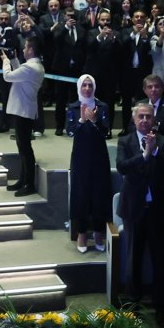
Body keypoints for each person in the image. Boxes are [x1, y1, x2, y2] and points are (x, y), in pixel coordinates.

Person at [115, 102, 164, 326]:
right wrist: (144, 155)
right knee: (133, 258)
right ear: (134, 120)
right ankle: (133, 306)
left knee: (159, 259)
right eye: (140, 116)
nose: (144, 120)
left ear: (154, 120)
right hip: (133, 209)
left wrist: (156, 152)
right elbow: (122, 166)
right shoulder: (125, 141)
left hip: (158, 210)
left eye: (148, 117)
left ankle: (161, 308)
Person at [66, 74, 112, 253]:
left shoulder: (102, 107)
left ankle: (99, 232)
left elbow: (106, 130)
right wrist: (81, 121)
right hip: (80, 157)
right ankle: (82, 233)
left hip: (99, 156)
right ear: (79, 87)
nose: (87, 88)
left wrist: (94, 121)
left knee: (100, 193)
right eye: (84, 85)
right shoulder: (73, 107)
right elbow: (69, 132)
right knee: (81, 193)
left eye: (90, 85)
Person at [1, 39, 45, 195]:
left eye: (26, 47)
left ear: (31, 50)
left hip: (24, 112)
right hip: (25, 111)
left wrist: (6, 61)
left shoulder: (31, 67)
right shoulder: (34, 66)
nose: (23, 49)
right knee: (23, 148)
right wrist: (13, 59)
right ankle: (23, 180)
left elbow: (8, 76)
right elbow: (21, 73)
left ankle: (29, 184)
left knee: (25, 149)